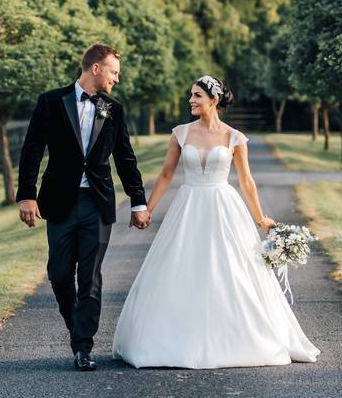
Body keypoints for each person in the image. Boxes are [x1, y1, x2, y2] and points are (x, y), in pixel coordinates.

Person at [112, 75, 320, 368]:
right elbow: (166, 176)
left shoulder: (235, 137)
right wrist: (146, 209)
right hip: (189, 206)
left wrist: (261, 218)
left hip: (224, 207)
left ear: (214, 100)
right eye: (191, 95)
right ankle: (169, 339)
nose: (191, 100)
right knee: (181, 267)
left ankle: (237, 337)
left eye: (197, 95)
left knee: (232, 269)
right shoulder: (181, 133)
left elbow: (247, 181)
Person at [16, 44, 150, 372]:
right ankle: (76, 327)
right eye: (113, 71)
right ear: (95, 68)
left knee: (89, 276)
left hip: (97, 203)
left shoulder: (113, 109)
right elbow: (32, 148)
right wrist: (26, 195)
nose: (116, 79)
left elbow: (125, 157)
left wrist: (138, 201)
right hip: (60, 202)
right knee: (60, 275)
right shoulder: (51, 101)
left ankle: (83, 346)